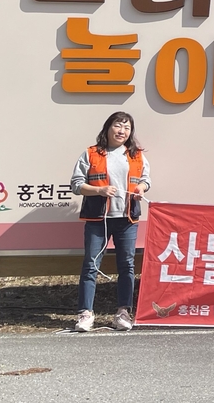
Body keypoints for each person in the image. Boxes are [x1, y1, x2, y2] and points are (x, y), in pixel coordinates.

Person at [70, 111, 151, 332]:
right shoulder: (91, 153)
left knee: (127, 265)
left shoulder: (136, 155)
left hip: (127, 219)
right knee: (90, 264)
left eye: (127, 128)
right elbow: (76, 184)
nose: (122, 131)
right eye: (118, 125)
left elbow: (145, 180)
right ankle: (85, 314)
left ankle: (123, 312)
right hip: (98, 219)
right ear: (108, 128)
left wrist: (141, 188)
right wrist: (99, 190)